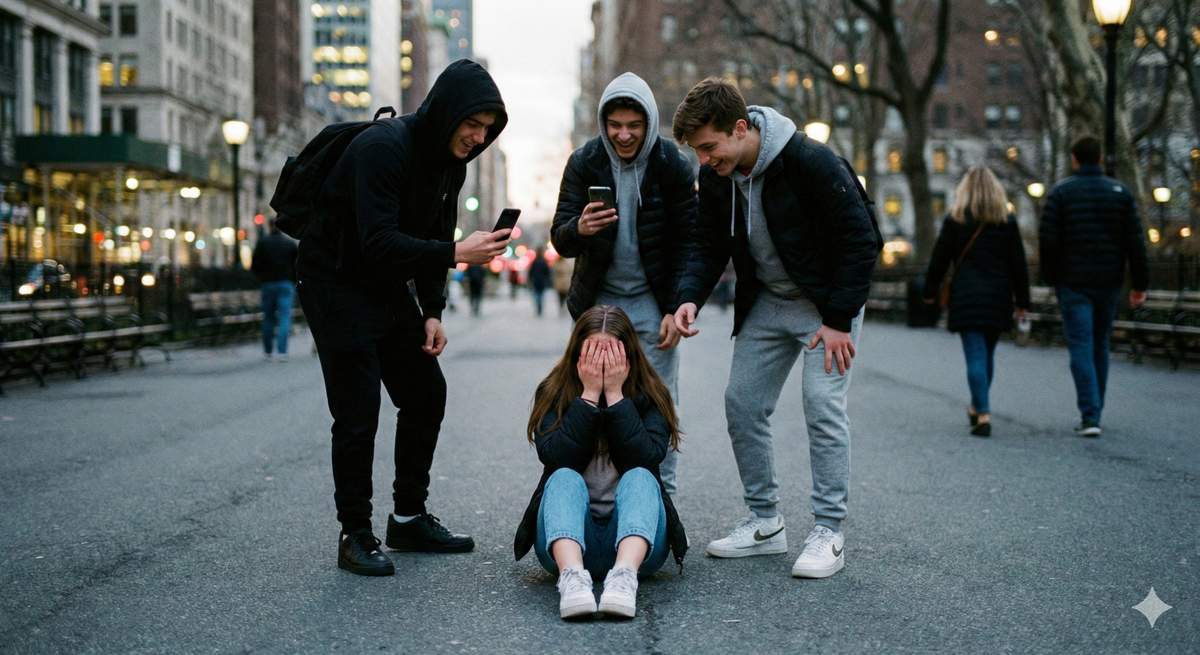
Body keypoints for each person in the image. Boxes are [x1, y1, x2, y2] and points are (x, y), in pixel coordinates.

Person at [296, 60, 511, 576]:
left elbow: (436, 227)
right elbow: (377, 241)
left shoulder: (452, 164)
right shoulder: (383, 149)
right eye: (471, 125)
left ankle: (408, 517)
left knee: (424, 393)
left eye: (488, 130)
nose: (478, 138)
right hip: (335, 278)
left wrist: (432, 310)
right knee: (358, 409)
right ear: (447, 113)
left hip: (384, 283)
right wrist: (458, 252)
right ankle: (355, 533)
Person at [670, 78, 880, 579]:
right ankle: (766, 524)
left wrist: (837, 320)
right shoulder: (719, 175)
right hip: (767, 301)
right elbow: (707, 243)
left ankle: (829, 531)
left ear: (740, 129)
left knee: (822, 404)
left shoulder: (810, 160)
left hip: (823, 305)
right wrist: (687, 298)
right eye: (697, 150)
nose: (704, 160)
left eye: (709, 146)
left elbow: (860, 239)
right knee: (742, 402)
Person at [551, 72, 698, 495]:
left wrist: (676, 306)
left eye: (633, 125)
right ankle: (598, 495)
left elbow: (688, 240)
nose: (624, 134)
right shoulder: (584, 161)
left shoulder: (671, 162)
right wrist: (580, 227)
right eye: (615, 125)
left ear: (649, 122)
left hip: (655, 304)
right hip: (599, 306)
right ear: (604, 122)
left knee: (660, 401)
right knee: (592, 398)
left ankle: (661, 498)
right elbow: (560, 239)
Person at [513, 305, 687, 619]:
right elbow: (556, 458)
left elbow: (646, 459)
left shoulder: (652, 394)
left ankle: (623, 578)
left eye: (611, 354)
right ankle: (573, 581)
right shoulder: (553, 392)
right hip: (566, 546)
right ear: (576, 355)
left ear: (629, 355)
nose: (601, 363)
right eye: (592, 354)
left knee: (641, 476)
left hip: (639, 548)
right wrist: (590, 394)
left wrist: (617, 397)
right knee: (563, 476)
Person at [1039, 135, 1149, 438]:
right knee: (1100, 343)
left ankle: (1090, 414)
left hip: (1073, 281)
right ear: (1100, 158)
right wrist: (1139, 284)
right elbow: (1136, 243)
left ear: (1074, 159)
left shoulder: (1062, 193)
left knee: (1080, 344)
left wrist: (1052, 277)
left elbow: (1048, 239)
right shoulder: (1120, 193)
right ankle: (1095, 411)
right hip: (1108, 280)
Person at [922, 166, 1031, 437]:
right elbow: (1019, 264)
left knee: (975, 355)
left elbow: (939, 259)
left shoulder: (955, 219)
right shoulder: (1007, 221)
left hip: (967, 295)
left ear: (965, 190)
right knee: (987, 354)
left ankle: (982, 413)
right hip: (998, 295)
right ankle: (978, 406)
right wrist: (1023, 302)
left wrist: (929, 290)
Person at [250, 221, 298, 362]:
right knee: (284, 318)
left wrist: (263, 276)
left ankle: (268, 350)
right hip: (285, 284)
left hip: (268, 283)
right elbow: (297, 265)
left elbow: (255, 265)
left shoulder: (262, 243)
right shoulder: (289, 244)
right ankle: (282, 352)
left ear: (269, 227)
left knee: (268, 317)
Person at [528, 247, 551, 316]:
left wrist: (530, 279)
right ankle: (540, 305)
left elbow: (531, 272)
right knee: (541, 294)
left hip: (535, 280)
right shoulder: (544, 262)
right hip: (542, 281)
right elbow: (547, 272)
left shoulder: (534, 262)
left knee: (536, 294)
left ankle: (538, 305)